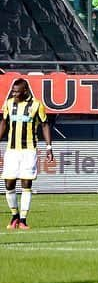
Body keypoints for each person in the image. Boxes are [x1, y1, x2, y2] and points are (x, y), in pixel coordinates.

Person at [0, 79, 53, 230]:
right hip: (12, 150)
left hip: (29, 150)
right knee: (9, 183)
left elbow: (44, 124)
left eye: (17, 91)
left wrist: (49, 147)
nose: (14, 94)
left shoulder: (36, 105)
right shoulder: (9, 104)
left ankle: (23, 219)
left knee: (26, 183)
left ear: (25, 91)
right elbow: (4, 123)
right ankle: (14, 216)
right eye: (13, 91)